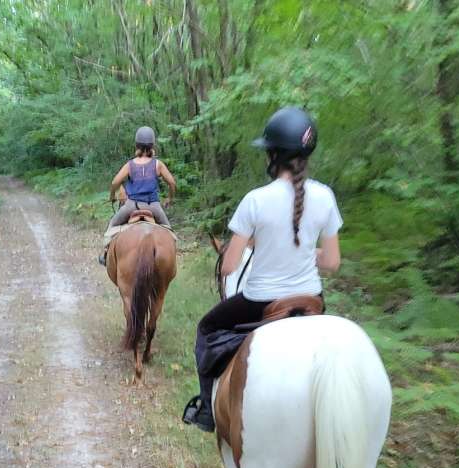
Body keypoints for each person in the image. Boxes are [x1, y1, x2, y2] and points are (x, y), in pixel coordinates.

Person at [182, 107, 342, 432]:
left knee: (207, 328)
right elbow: (332, 263)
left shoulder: (255, 200)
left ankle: (206, 411)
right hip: (312, 300)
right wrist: (309, 254)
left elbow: (228, 266)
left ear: (273, 155)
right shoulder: (325, 196)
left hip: (260, 301)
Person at [99, 126, 177, 265]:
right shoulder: (157, 164)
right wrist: (170, 198)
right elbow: (172, 182)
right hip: (153, 206)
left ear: (137, 145)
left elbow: (115, 182)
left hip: (131, 206)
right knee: (170, 232)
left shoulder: (130, 165)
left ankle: (105, 253)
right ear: (152, 145)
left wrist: (112, 195)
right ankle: (171, 256)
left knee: (112, 226)